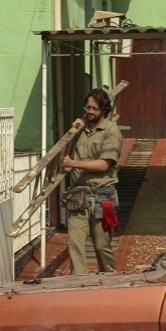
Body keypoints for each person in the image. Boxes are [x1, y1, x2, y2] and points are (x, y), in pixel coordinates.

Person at [60, 89, 124, 274]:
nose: (89, 111)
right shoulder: (80, 128)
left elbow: (104, 165)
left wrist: (74, 164)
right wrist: (73, 132)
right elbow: (67, 154)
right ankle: (78, 284)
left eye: (94, 108)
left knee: (101, 244)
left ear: (104, 109)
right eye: (87, 107)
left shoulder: (111, 131)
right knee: (75, 243)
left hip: (102, 196)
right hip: (78, 195)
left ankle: (109, 279)